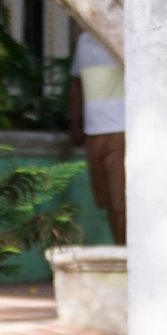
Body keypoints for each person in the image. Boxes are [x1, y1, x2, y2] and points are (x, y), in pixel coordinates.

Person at [69, 29, 126, 245]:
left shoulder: (120, 34)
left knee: (121, 201)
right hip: (93, 133)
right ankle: (121, 249)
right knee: (107, 201)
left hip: (121, 130)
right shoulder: (83, 40)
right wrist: (75, 124)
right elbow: (76, 84)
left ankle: (126, 254)